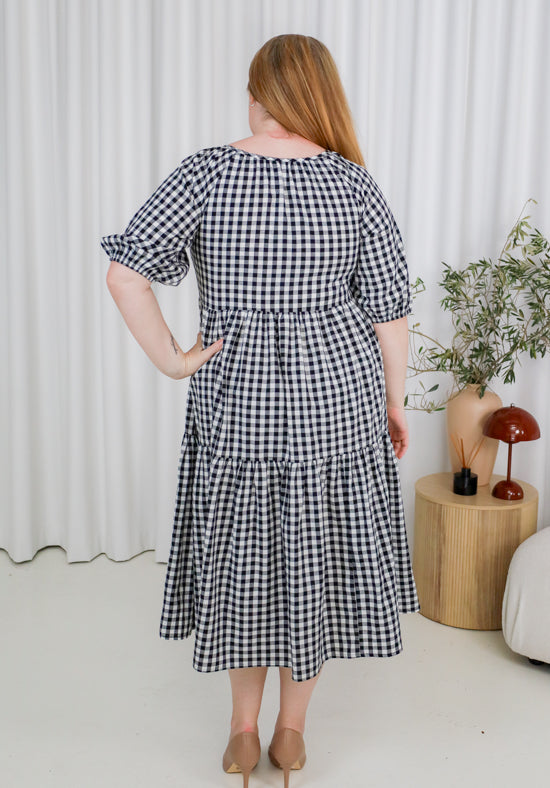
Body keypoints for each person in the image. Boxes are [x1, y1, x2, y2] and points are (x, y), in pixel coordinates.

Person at [101, 33, 420, 788]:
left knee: (245, 559)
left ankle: (240, 732)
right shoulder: (351, 184)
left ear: (257, 94)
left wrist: (176, 360)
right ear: (319, 96)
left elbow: (125, 276)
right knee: (314, 560)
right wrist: (393, 401)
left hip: (234, 401)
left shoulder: (207, 172)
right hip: (336, 402)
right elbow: (389, 314)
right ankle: (290, 734)